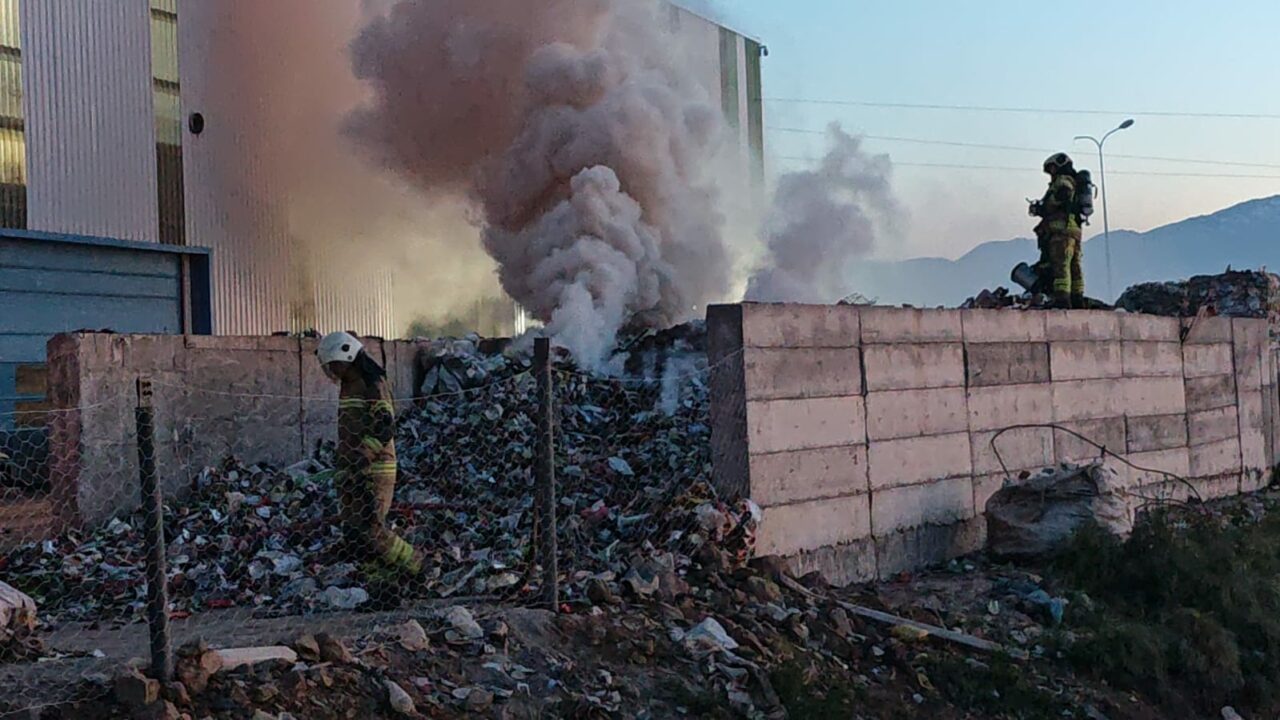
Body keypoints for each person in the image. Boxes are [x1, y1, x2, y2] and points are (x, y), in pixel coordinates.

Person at [316, 331, 423, 587]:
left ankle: (418, 565)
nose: (332, 371)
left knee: (371, 529)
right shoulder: (349, 385)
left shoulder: (373, 383)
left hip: (374, 468)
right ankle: (381, 584)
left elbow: (384, 426)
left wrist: (363, 455)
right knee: (354, 534)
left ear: (346, 356)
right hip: (352, 468)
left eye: (334, 364)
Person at [1030, 153, 1085, 308]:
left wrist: (1043, 207)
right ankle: (1077, 299)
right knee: (1075, 267)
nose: (1051, 172)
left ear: (1059, 165)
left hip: (1061, 231)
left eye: (1052, 168)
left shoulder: (1062, 181)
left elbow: (1063, 195)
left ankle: (1062, 300)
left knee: (1061, 266)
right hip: (1074, 230)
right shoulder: (1075, 182)